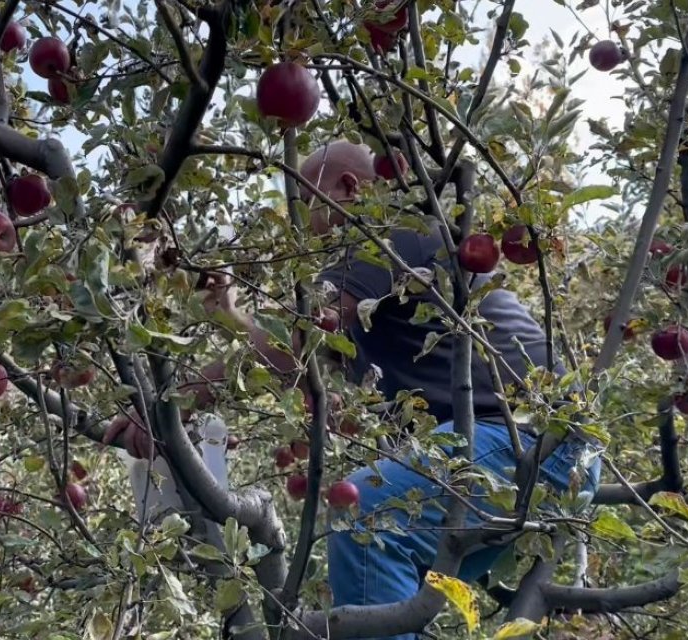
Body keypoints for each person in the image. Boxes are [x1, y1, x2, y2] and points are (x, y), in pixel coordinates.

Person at [106, 141, 601, 639]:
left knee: (366, 518)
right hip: (551, 460)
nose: (301, 226)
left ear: (347, 188)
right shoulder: (384, 284)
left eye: (304, 204)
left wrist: (168, 403)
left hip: (530, 442)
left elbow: (298, 341)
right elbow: (299, 359)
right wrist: (230, 315)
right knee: (388, 587)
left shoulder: (381, 237)